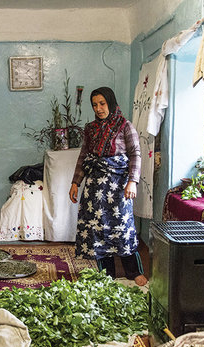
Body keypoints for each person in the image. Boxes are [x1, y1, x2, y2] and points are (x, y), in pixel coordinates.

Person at [69, 87, 147, 286]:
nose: (99, 108)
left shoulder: (125, 126)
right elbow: (84, 156)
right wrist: (75, 182)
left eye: (102, 103)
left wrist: (132, 181)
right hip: (95, 187)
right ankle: (107, 274)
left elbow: (135, 154)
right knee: (99, 230)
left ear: (111, 103)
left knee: (122, 228)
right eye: (95, 105)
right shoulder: (91, 128)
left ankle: (134, 271)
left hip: (118, 187)